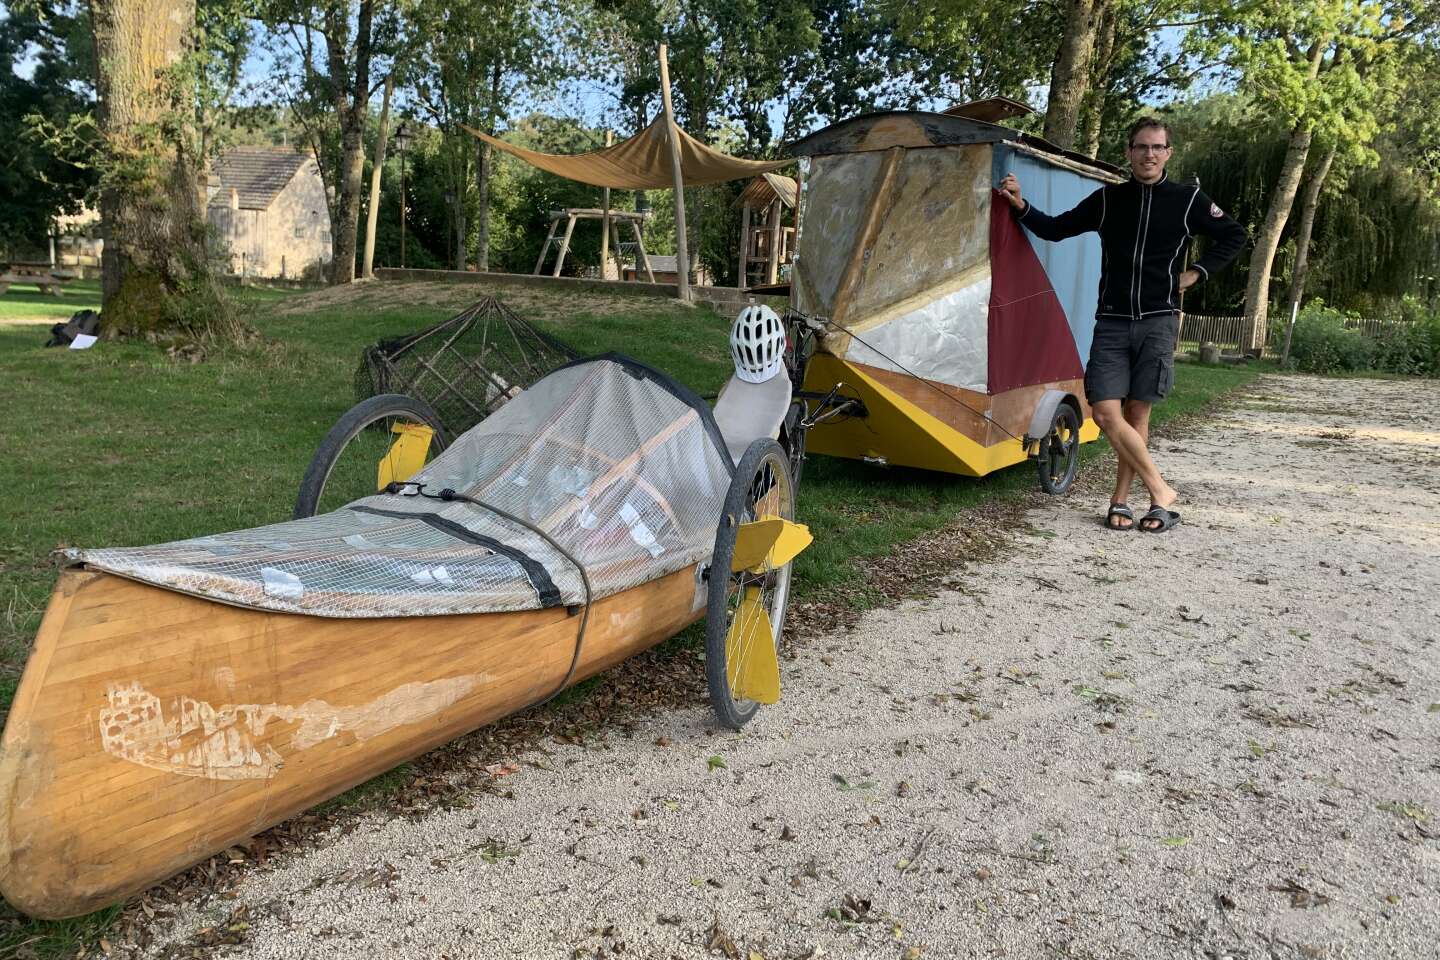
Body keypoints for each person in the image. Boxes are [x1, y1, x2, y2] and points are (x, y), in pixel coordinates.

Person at [998, 116, 1245, 533]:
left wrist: (1197, 272)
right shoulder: (1109, 200)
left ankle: (1123, 502)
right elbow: (1056, 229)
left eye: (1157, 147)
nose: (1149, 154)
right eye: (1141, 147)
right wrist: (1020, 204)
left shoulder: (1188, 200)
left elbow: (1234, 236)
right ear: (1129, 152)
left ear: (1168, 153)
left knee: (1138, 412)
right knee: (1106, 411)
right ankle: (1161, 490)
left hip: (1158, 319)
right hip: (1112, 320)